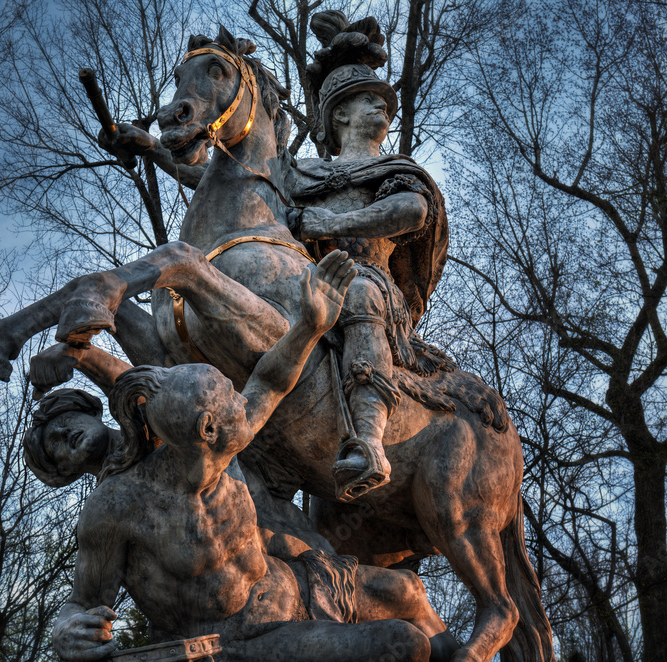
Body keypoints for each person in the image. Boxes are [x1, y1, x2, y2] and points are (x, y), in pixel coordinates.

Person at [98, 15, 448, 501]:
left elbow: (411, 210)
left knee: (360, 292)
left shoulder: (392, 168)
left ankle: (368, 439)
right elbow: (219, 181)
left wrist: (332, 225)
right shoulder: (299, 172)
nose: (382, 106)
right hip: (299, 280)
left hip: (363, 277)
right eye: (370, 99)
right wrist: (152, 146)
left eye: (383, 101)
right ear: (340, 115)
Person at [49, 251, 457, 662]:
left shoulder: (221, 449)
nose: (242, 400)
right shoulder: (119, 507)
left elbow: (271, 378)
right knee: (403, 645)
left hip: (293, 585)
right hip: (243, 639)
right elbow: (82, 601)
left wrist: (312, 325)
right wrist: (66, 631)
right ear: (208, 429)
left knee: (407, 590)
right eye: (230, 396)